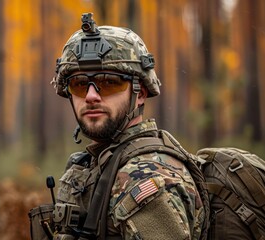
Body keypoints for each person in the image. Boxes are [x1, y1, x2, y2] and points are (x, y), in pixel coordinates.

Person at [48, 13, 208, 239]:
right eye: (80, 84)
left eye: (108, 83)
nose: (91, 96)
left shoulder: (145, 177)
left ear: (140, 93)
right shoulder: (99, 163)